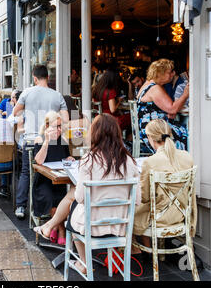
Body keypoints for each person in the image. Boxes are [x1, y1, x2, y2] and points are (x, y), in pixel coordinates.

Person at [33, 113, 141, 273]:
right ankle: (51, 226)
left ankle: (83, 262)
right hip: (121, 225)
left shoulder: (89, 161)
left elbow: (80, 198)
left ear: (96, 134)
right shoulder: (130, 161)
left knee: (72, 211)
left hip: (93, 226)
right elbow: (137, 199)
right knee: (74, 197)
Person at [131, 119, 197, 255]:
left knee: (128, 209)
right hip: (181, 216)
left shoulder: (150, 162)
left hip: (159, 219)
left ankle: (136, 250)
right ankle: (152, 252)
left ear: (150, 138)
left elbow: (144, 198)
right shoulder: (187, 157)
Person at [12, 64, 69, 219]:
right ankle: (55, 209)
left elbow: (15, 111)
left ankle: (21, 207)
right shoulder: (57, 95)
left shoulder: (27, 93)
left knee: (26, 173)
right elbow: (65, 120)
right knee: (50, 172)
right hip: (51, 139)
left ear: (34, 78)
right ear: (48, 78)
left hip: (31, 138)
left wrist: (26, 115)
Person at [32, 111, 74, 244]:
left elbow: (65, 157)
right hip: (43, 182)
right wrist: (46, 142)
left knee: (62, 200)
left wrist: (69, 158)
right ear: (47, 126)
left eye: (60, 126)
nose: (59, 129)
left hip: (58, 181)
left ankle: (54, 227)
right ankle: (61, 229)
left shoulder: (63, 141)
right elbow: (38, 161)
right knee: (52, 201)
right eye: (56, 126)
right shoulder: (40, 139)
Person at [137, 58, 190, 152]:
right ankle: (185, 162)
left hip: (149, 130)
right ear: (160, 73)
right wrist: (185, 94)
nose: (173, 74)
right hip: (156, 133)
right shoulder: (155, 88)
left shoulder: (147, 85)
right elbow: (173, 109)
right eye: (170, 72)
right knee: (189, 133)